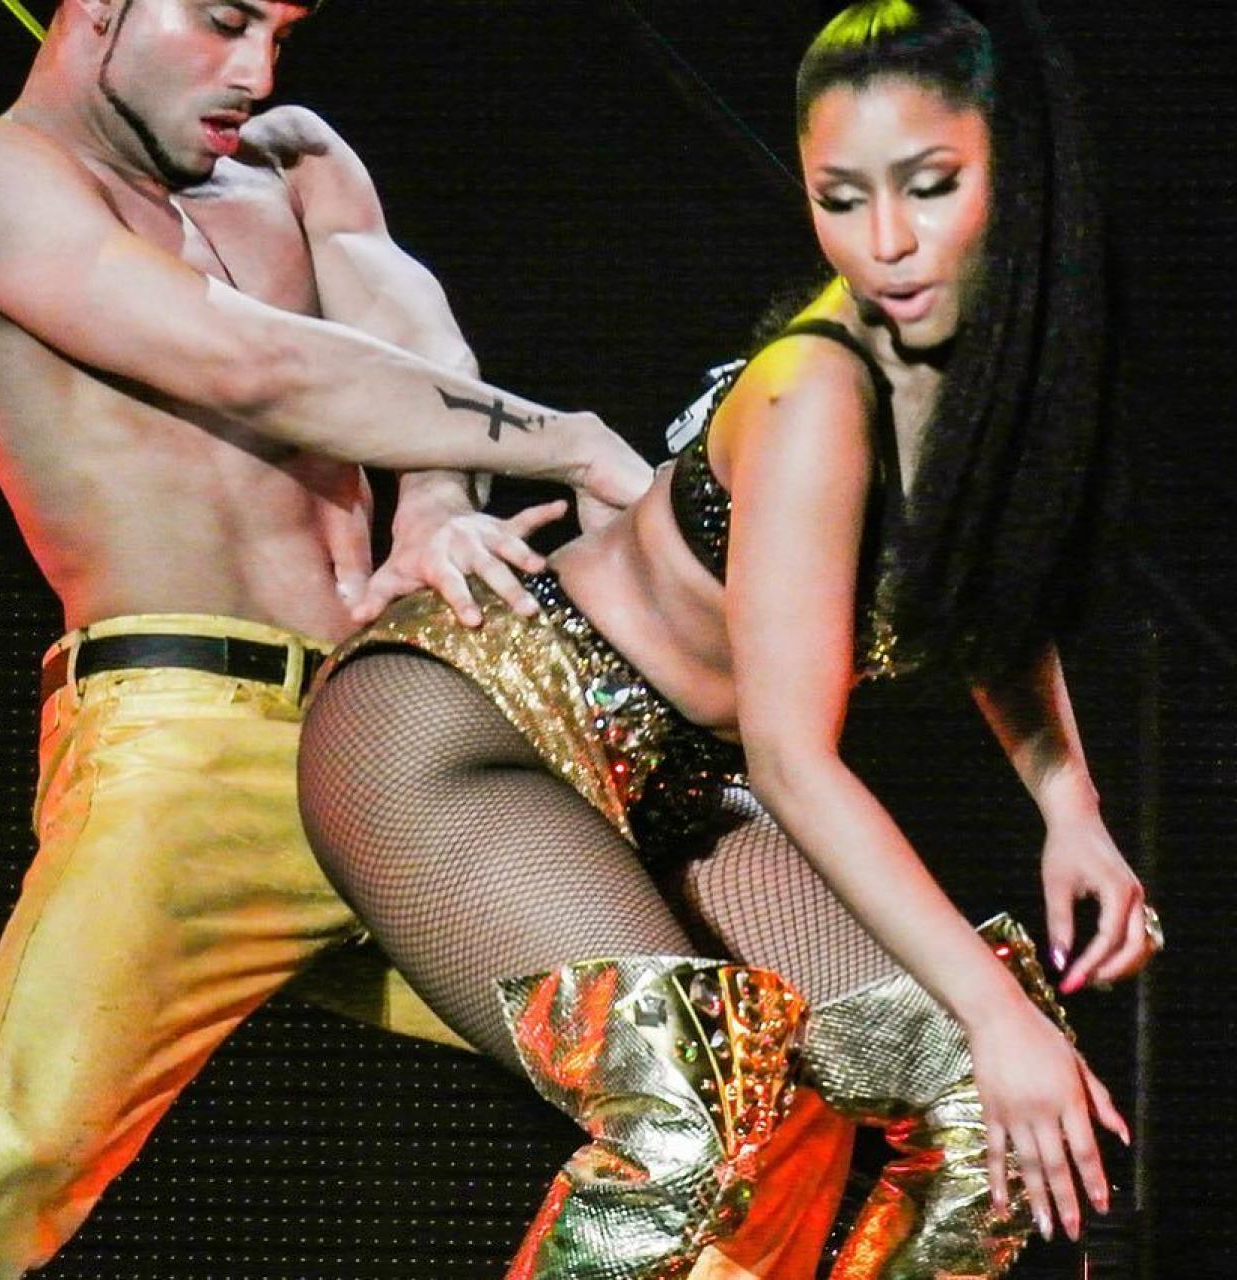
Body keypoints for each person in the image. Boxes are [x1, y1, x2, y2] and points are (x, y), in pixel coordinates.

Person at [298, 2, 1163, 1277]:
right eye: (838, 198)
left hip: (675, 781)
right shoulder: (820, 389)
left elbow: (983, 593)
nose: (883, 242)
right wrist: (995, 1010)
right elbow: (792, 758)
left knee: (982, 1120)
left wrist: (1068, 806)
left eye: (928, 187)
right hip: (467, 725)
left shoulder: (1004, 372)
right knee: (687, 1126)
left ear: (1017, 175)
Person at [0, 0, 656, 1273]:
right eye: (225, 20)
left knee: (710, 1068)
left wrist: (435, 502)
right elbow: (247, 362)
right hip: (190, 742)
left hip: (385, 732)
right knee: (13, 1155)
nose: (256, 70)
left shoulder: (296, 158)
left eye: (281, 31)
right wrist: (562, 440)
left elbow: (412, 344)